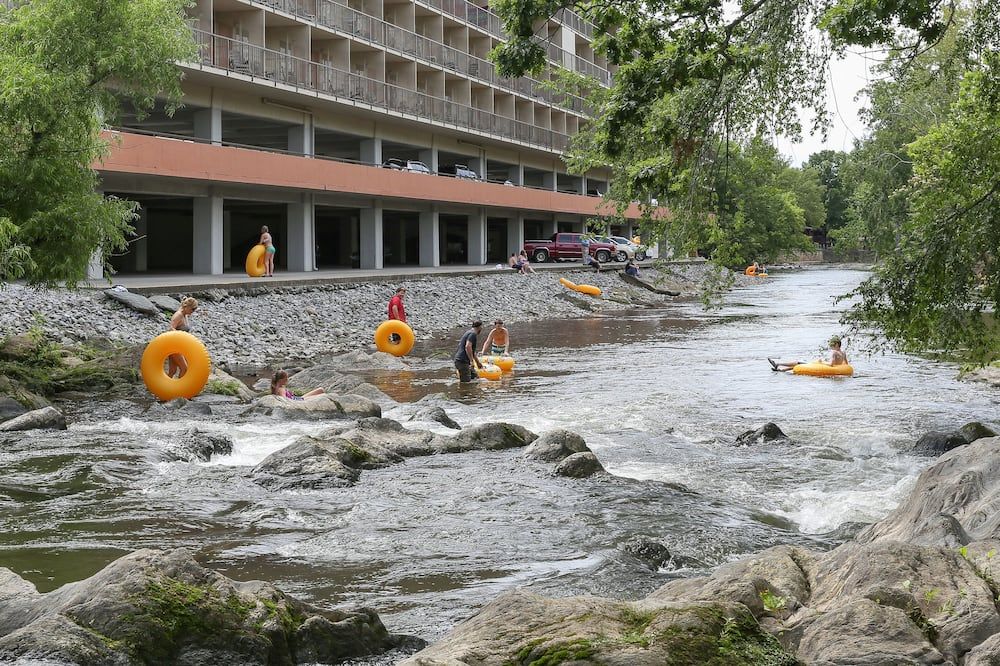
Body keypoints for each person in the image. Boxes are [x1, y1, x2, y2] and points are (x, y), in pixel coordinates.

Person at [769, 336, 849, 372]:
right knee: (800, 365)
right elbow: (846, 364)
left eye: (832, 344)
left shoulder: (834, 352)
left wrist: (822, 362)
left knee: (798, 362)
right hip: (834, 368)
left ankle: (778, 364)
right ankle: (782, 370)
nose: (831, 346)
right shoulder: (843, 353)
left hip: (824, 366)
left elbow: (831, 364)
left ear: (837, 344)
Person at [167, 297, 198, 378]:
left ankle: (164, 385)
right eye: (192, 309)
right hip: (174, 345)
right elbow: (171, 328)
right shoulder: (178, 315)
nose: (193, 311)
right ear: (187, 306)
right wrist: (181, 336)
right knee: (184, 368)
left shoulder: (185, 314)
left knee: (172, 370)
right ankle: (179, 385)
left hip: (180, 346)